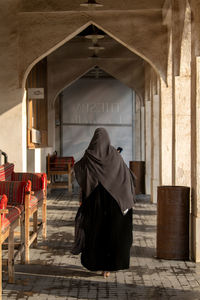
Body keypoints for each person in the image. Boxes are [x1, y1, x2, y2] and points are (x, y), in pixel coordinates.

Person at [72, 128, 136, 278]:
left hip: (96, 203)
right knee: (113, 234)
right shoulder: (114, 155)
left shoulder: (89, 155)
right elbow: (127, 176)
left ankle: (99, 264)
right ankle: (108, 267)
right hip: (116, 202)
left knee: (97, 234)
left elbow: (78, 169)